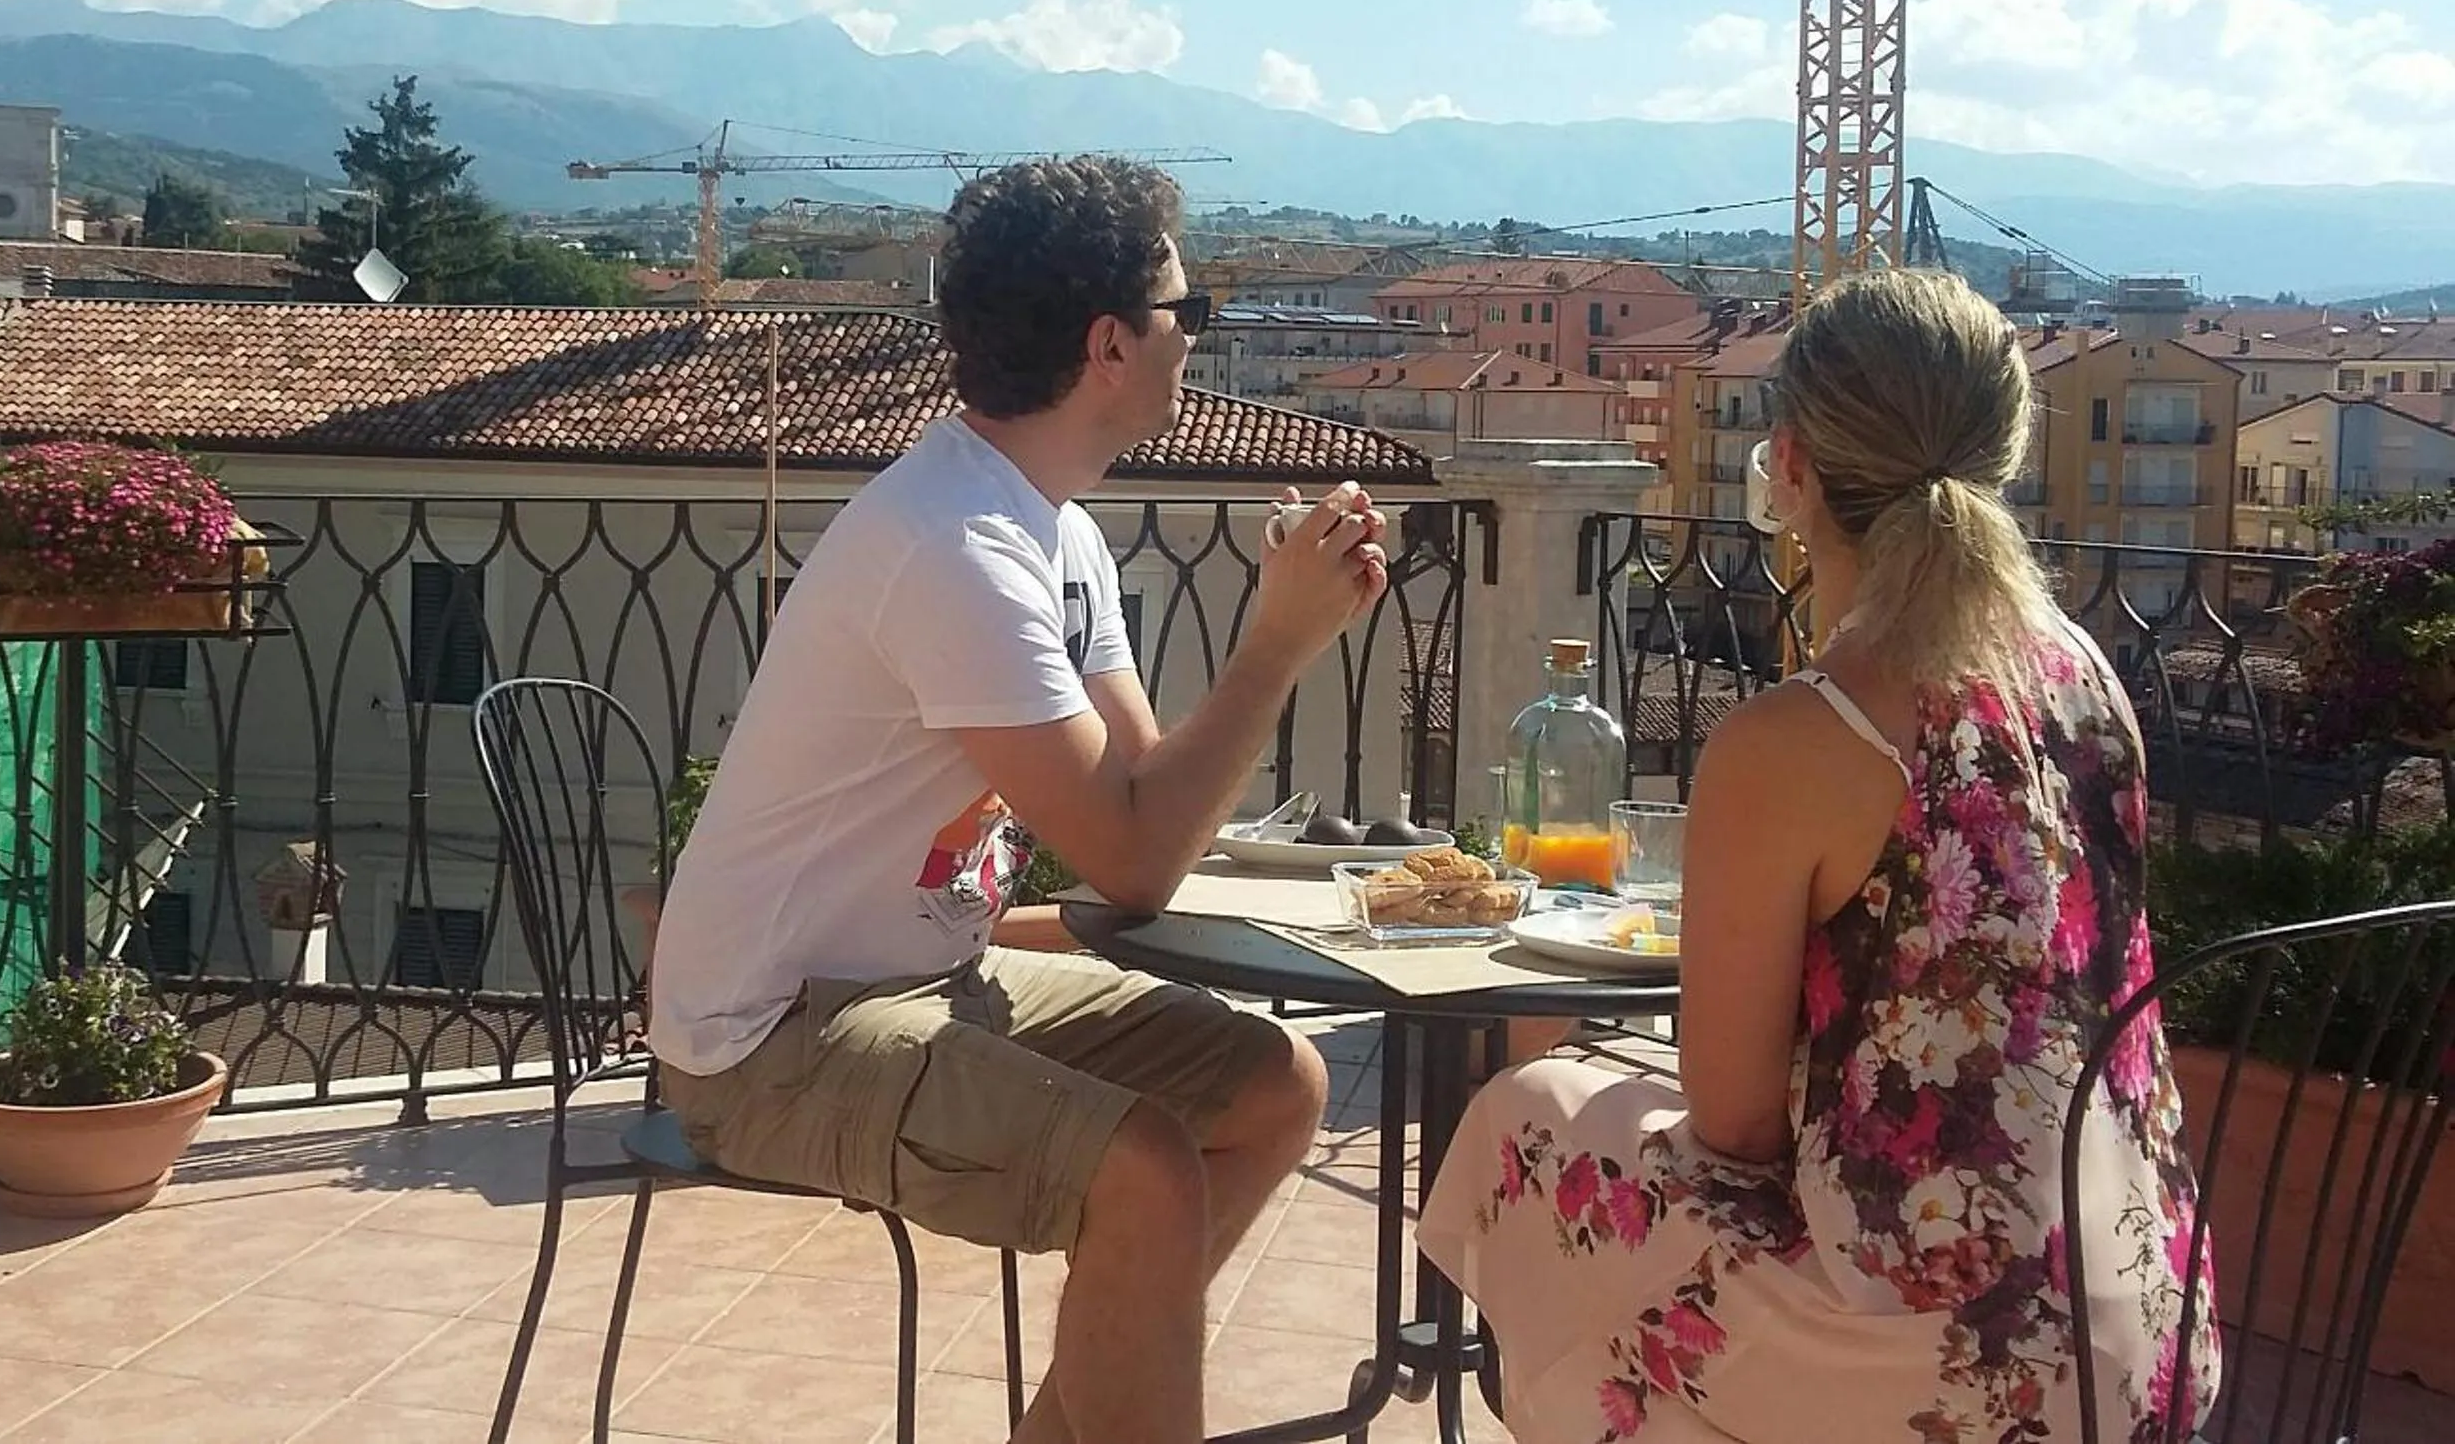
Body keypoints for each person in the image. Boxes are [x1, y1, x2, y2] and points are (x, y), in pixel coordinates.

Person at [648, 156, 1385, 1444]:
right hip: (769, 1039)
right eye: (1186, 310)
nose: (1196, 335)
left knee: (1279, 1081)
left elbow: (1146, 795)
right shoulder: (959, 548)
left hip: (922, 984)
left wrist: (1281, 626)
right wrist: (1273, 647)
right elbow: (1138, 859)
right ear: (1110, 343)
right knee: (1147, 1171)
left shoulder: (1055, 529)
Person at [1417, 270, 2220, 1444]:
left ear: (1786, 467)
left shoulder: (1805, 732)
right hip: (2143, 1325)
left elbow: (1736, 1121)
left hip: (1951, 1361)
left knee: (1527, 1110)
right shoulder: (2087, 678)